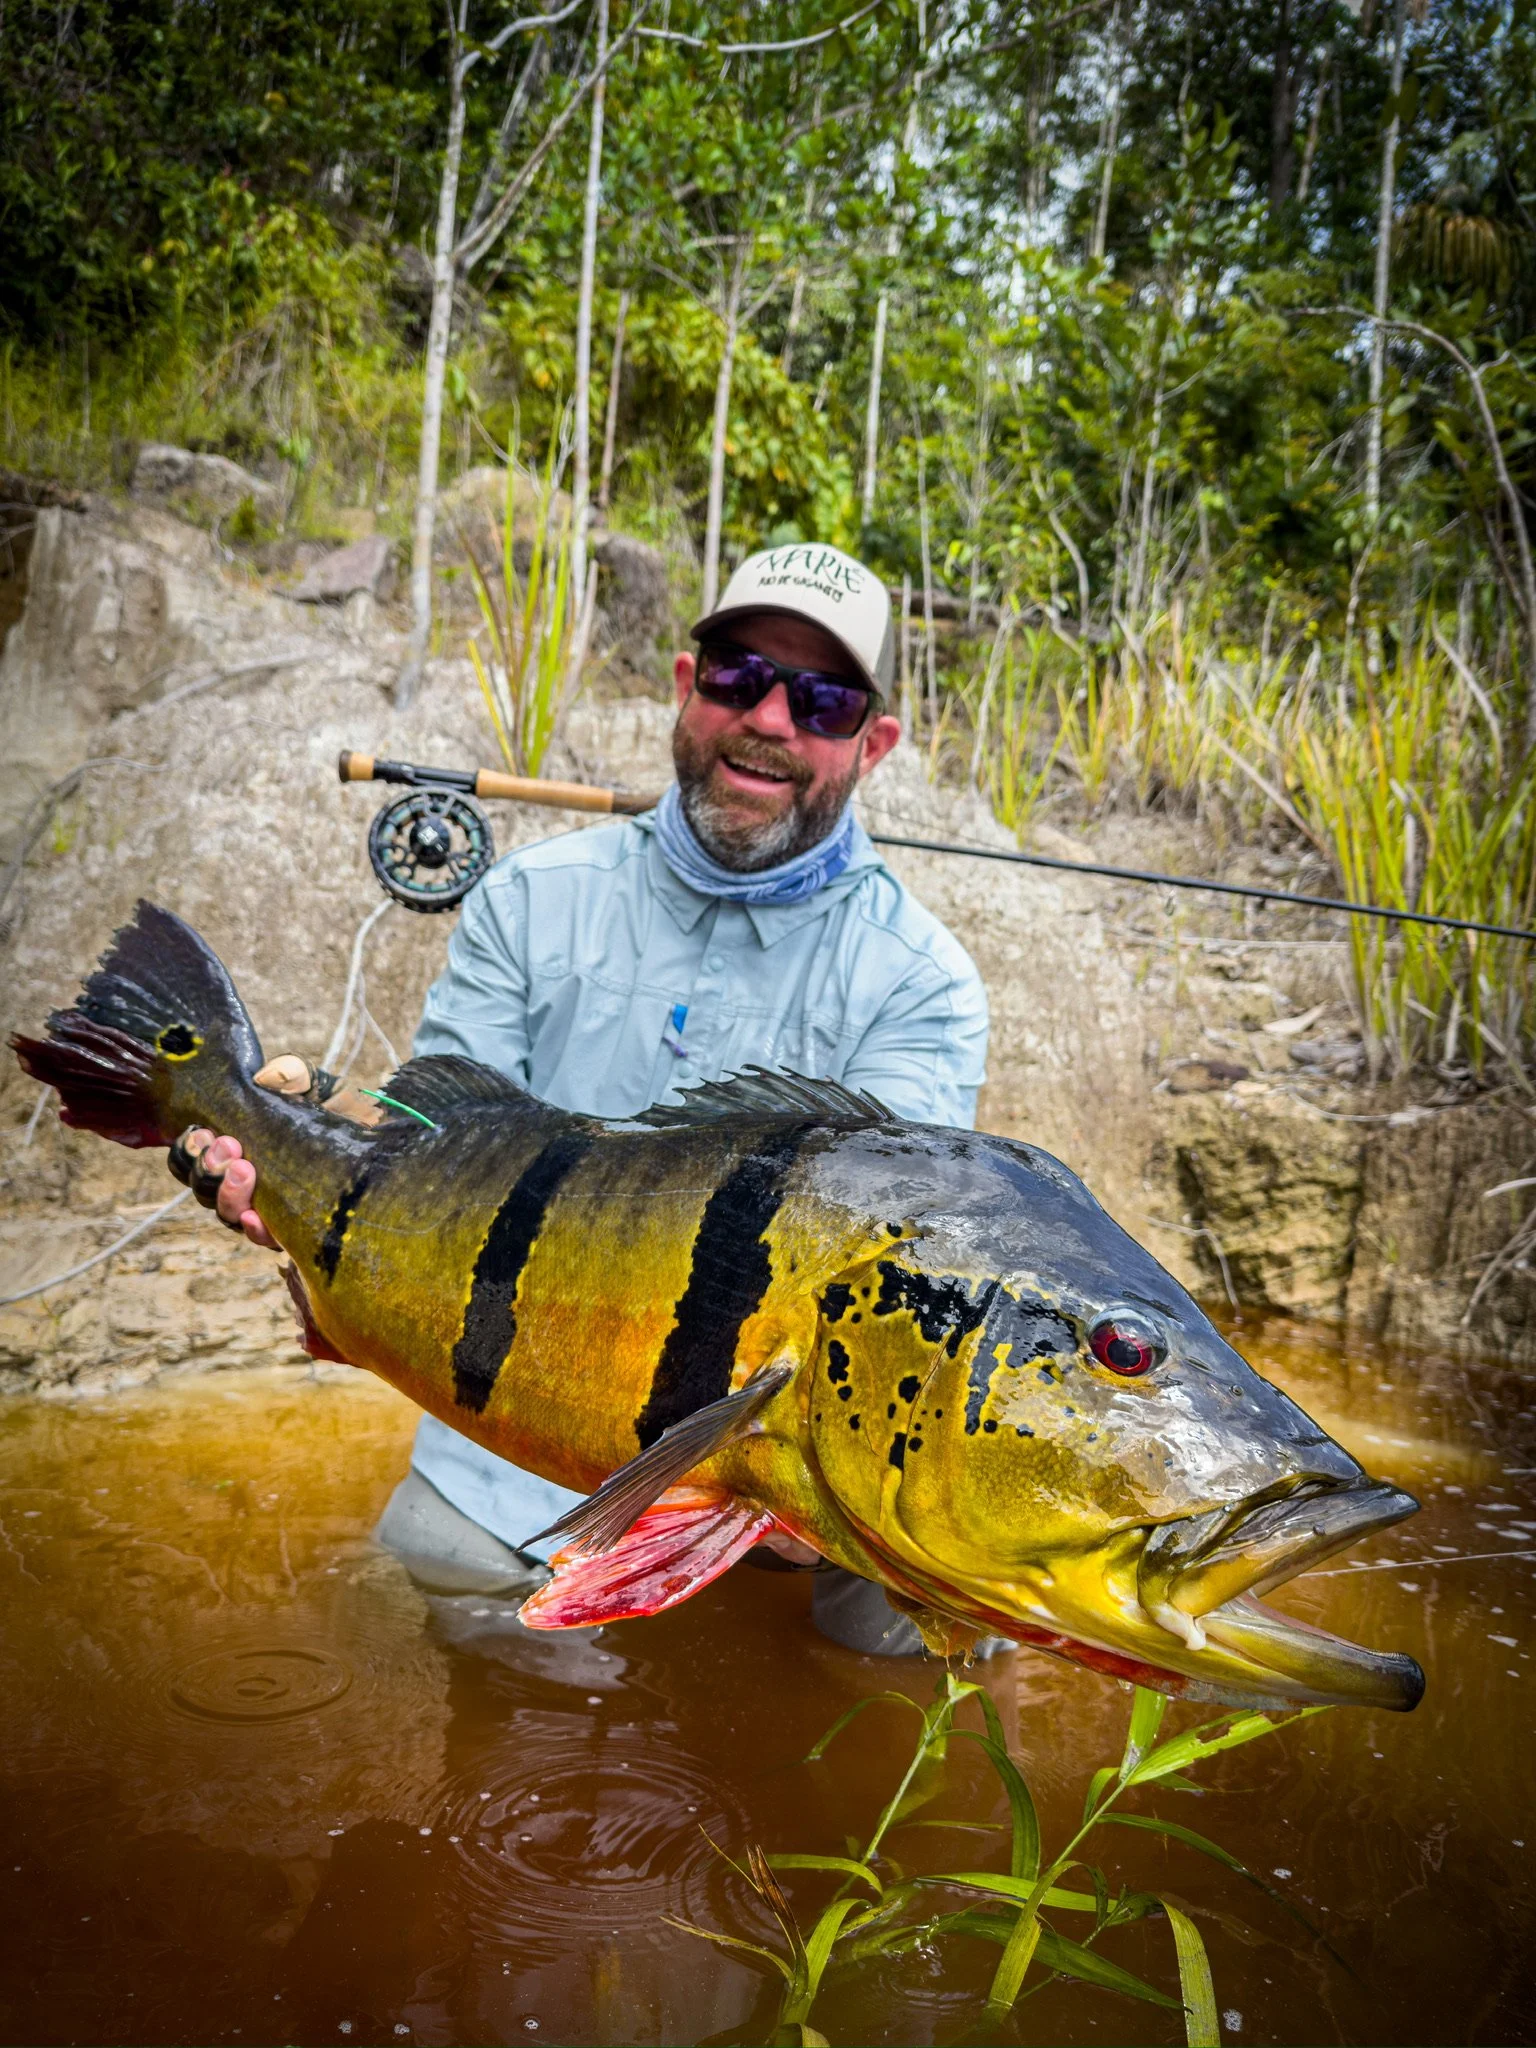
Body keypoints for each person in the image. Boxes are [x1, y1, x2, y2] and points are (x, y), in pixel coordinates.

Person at [181, 541, 996, 1655]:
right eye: (738, 675)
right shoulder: (529, 901)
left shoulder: (921, 981)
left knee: (945, 1639)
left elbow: (883, 1264)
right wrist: (308, 1169)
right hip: (525, 1394)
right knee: (447, 1574)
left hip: (784, 1436)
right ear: (686, 686)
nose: (768, 718)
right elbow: (439, 1156)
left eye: (822, 700)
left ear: (874, 743)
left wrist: (789, 1492)